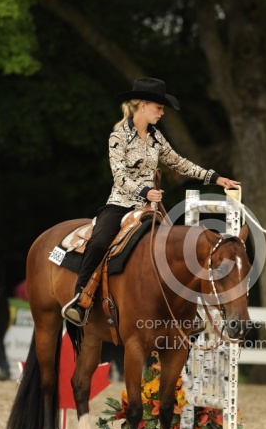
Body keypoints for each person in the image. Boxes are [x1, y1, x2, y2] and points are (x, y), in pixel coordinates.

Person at [62, 77, 240, 326]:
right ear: (142, 105)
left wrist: (214, 177)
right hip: (121, 204)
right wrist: (145, 191)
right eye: (159, 107)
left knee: (177, 253)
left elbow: (179, 162)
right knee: (99, 240)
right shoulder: (118, 136)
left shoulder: (157, 138)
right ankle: (81, 299)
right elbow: (119, 175)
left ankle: (186, 310)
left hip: (150, 209)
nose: (162, 112)